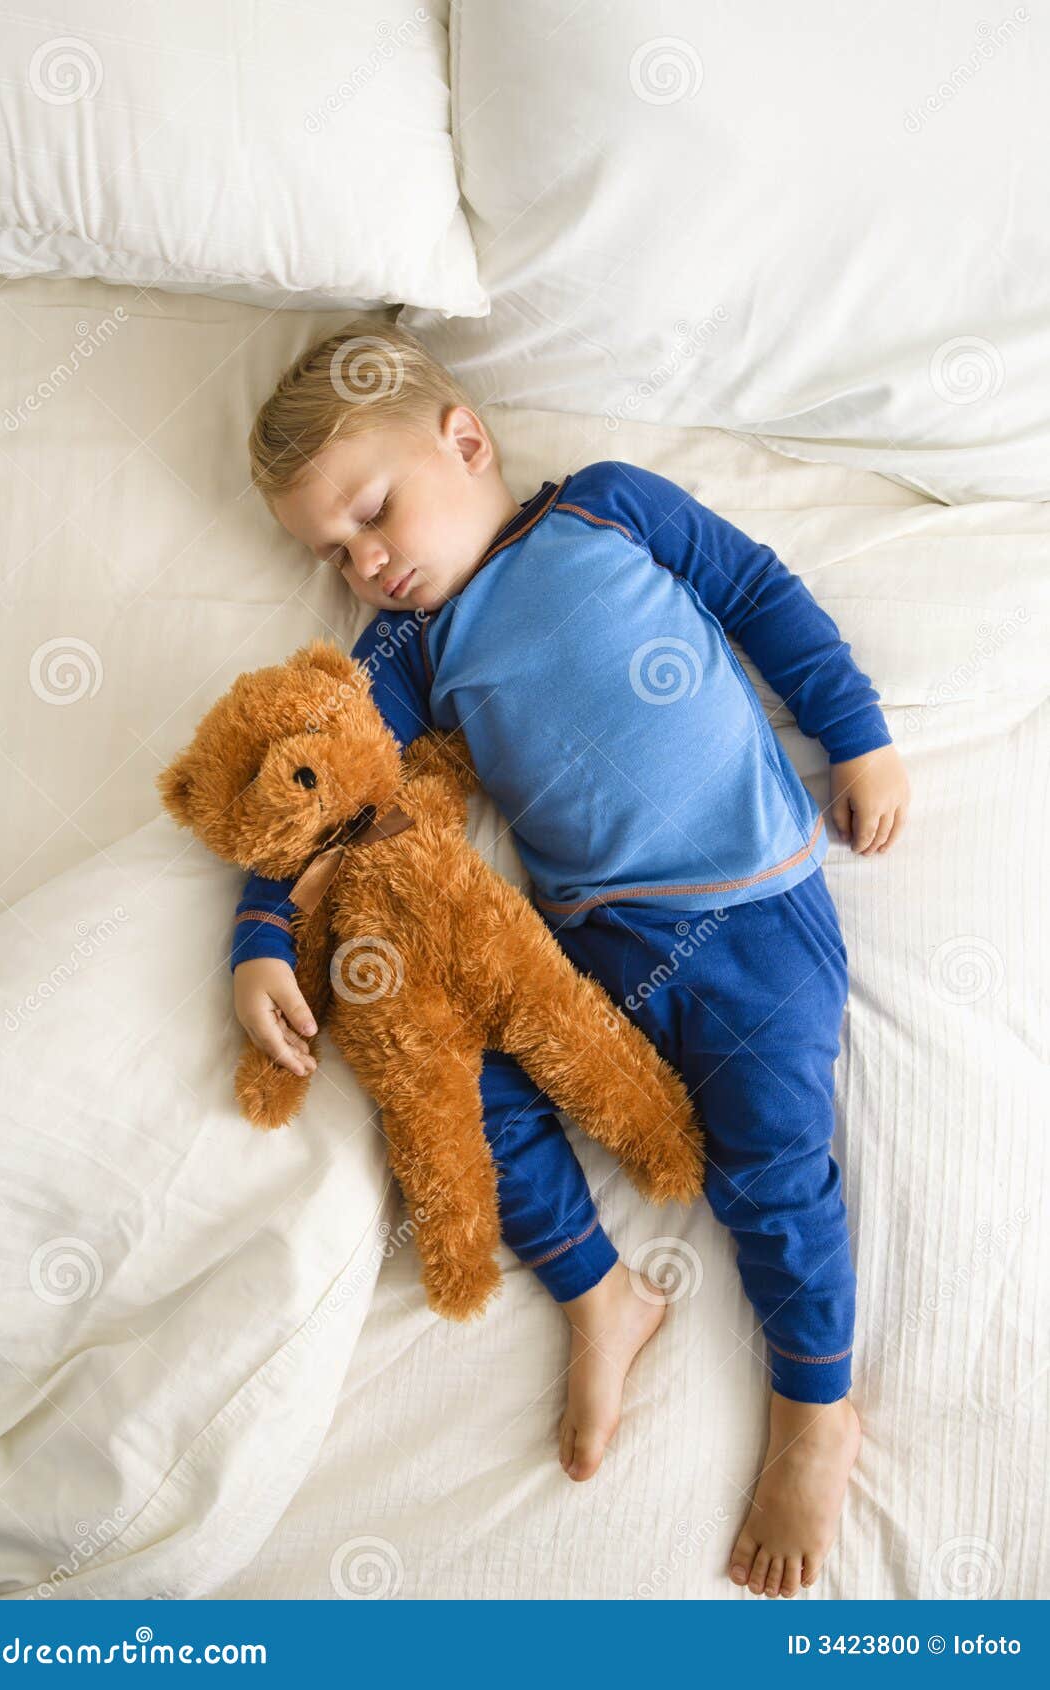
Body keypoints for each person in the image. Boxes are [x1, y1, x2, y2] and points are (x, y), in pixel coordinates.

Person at [229, 319, 910, 1597]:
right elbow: (317, 776)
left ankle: (814, 1404)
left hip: (750, 906)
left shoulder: (606, 511)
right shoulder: (409, 652)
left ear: (465, 440)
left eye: (371, 514)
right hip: (590, 952)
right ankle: (597, 1291)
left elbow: (758, 592)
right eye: (331, 553)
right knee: (426, 1039)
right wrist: (263, 933)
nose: (365, 563)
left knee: (773, 1160)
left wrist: (853, 731)